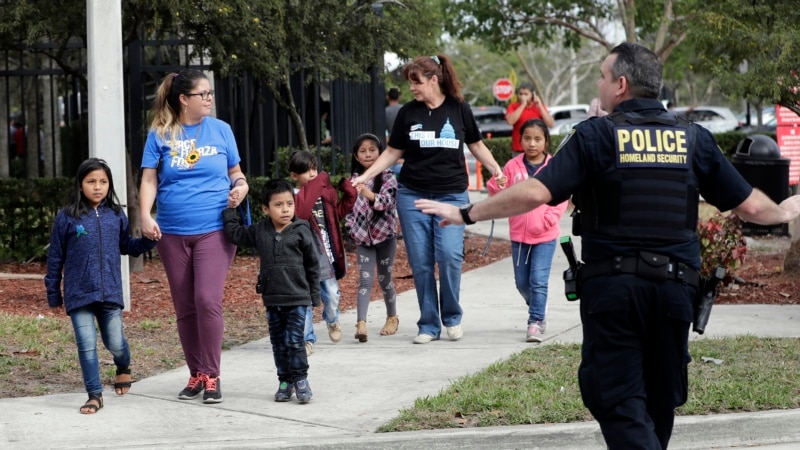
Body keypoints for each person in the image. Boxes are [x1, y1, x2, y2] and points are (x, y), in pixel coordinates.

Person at [415, 42, 800, 448]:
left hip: (615, 291)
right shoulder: (694, 139)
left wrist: (466, 214)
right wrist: (786, 212)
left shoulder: (596, 135)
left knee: (616, 396)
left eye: (601, 76)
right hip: (675, 291)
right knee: (660, 399)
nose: (597, 84)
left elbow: (533, 192)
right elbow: (751, 206)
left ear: (620, 84)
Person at [352, 53, 507, 344]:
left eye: (417, 82)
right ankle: (428, 324)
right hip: (413, 194)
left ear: (434, 80)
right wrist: (365, 175)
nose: (412, 88)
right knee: (421, 262)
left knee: (449, 256)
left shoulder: (459, 109)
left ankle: (452, 317)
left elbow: (475, 144)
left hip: (452, 194)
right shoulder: (408, 113)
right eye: (411, 83)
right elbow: (392, 152)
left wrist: (495, 169)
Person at [139, 69, 249, 404]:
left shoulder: (221, 130)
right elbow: (149, 180)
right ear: (184, 99)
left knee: (206, 300)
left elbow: (236, 173)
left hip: (214, 229)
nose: (209, 98)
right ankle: (196, 373)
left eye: (210, 93)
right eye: (203, 94)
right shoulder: (160, 133)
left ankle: (213, 376)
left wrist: (241, 187)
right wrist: (145, 214)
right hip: (171, 232)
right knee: (186, 307)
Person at [45, 158, 157, 414]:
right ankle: (94, 395)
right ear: (80, 184)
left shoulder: (116, 214)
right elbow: (55, 259)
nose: (98, 187)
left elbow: (127, 246)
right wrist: (53, 293)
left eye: (103, 182)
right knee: (86, 344)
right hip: (79, 294)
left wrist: (149, 241)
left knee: (115, 342)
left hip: (109, 293)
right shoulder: (66, 218)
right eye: (91, 181)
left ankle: (123, 367)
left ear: (109, 185)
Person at [222, 179, 320, 404]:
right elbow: (235, 234)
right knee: (278, 343)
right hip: (272, 298)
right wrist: (230, 210)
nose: (285, 209)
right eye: (278, 205)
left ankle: (301, 379)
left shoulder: (301, 230)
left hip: (297, 298)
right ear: (266, 208)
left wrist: (314, 296)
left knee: (295, 341)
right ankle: (284, 381)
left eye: (289, 204)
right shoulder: (260, 230)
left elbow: (313, 265)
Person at [485, 119, 567, 343]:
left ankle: (535, 321)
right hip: (519, 236)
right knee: (522, 283)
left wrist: (549, 219)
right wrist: (497, 182)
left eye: (537, 139)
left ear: (546, 142)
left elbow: (561, 195)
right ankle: (538, 305)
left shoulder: (553, 167)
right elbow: (497, 192)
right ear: (520, 140)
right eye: (527, 138)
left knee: (538, 280)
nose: (532, 143)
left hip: (545, 236)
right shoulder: (513, 166)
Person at [289, 150, 356, 355]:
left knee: (332, 294)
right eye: (306, 171)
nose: (312, 174)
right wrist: (320, 181)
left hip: (325, 255)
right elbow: (300, 212)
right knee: (306, 300)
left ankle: (332, 319)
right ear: (294, 175)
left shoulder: (322, 193)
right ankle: (308, 340)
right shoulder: (292, 196)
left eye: (314, 169)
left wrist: (350, 192)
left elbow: (337, 213)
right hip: (303, 258)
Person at [345, 133, 399, 342]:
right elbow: (348, 209)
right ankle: (361, 324)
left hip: (385, 236)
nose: (368, 154)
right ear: (356, 157)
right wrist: (351, 228)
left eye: (372, 150)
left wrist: (369, 194)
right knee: (364, 280)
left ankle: (392, 317)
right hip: (363, 239)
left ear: (380, 152)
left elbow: (388, 202)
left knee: (385, 280)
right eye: (362, 151)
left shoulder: (388, 177)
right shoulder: (352, 181)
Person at [504, 82, 555, 152]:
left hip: (537, 149)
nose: (522, 97)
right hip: (519, 149)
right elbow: (510, 121)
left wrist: (540, 107)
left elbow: (551, 124)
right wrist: (523, 105)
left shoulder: (539, 107)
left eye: (526, 94)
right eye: (520, 94)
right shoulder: (513, 106)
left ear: (532, 95)